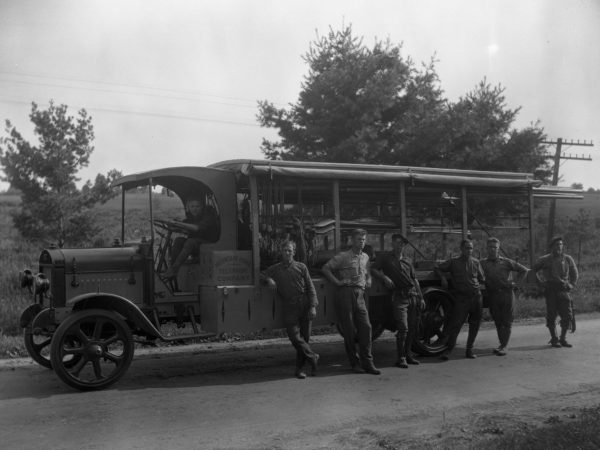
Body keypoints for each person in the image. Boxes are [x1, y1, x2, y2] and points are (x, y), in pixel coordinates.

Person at [322, 229, 381, 375]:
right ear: (352, 241)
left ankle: (368, 363)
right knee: (349, 330)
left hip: (360, 294)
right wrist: (337, 282)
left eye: (363, 239)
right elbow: (326, 268)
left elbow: (368, 272)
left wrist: (369, 280)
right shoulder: (344, 256)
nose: (361, 242)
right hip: (345, 293)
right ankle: (355, 364)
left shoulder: (366, 257)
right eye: (358, 239)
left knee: (366, 327)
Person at [262, 240, 319, 379]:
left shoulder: (301, 267)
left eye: (290, 250)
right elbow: (261, 274)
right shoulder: (275, 269)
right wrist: (269, 279)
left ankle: (299, 370)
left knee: (305, 338)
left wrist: (312, 306)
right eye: (285, 250)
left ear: (294, 252)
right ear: (281, 252)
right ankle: (313, 357)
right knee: (294, 337)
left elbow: (311, 288)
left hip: (304, 304)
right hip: (289, 306)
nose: (287, 253)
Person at [371, 234, 426, 368]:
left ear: (404, 245)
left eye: (401, 243)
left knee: (412, 328)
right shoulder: (385, 257)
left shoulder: (407, 260)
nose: (399, 245)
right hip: (399, 297)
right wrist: (384, 278)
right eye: (396, 243)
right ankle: (400, 358)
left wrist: (421, 297)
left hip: (412, 295)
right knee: (403, 327)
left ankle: (408, 355)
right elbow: (373, 269)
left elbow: (415, 279)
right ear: (393, 244)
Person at [435, 239, 485, 360]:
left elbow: (482, 278)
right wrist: (443, 278)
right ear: (461, 249)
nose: (470, 250)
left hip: (476, 297)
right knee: (456, 324)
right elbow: (437, 267)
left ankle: (469, 350)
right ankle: (448, 350)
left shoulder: (476, 262)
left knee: (475, 324)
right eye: (467, 248)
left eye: (471, 248)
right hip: (462, 298)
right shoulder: (453, 262)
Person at [480, 237, 528, 356]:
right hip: (493, 295)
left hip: (507, 294)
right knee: (498, 321)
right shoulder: (482, 263)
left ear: (498, 249)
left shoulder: (506, 262)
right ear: (486, 248)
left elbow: (524, 270)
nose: (492, 249)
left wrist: (516, 284)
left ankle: (504, 346)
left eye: (495, 247)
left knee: (507, 321)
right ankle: (502, 344)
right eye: (490, 247)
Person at [532, 236, 579, 348]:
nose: (559, 247)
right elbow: (533, 271)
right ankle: (554, 339)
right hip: (551, 290)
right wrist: (541, 283)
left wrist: (571, 285)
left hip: (564, 290)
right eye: (556, 244)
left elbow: (575, 273)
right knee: (551, 316)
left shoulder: (568, 259)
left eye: (560, 244)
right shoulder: (544, 259)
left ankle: (563, 338)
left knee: (567, 315)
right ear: (551, 247)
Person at [164, 197, 220, 280]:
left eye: (197, 206)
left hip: (208, 246)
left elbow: (196, 228)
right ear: (189, 208)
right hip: (196, 246)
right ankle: (172, 269)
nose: (195, 209)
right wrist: (172, 224)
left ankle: (174, 269)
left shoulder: (208, 217)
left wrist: (177, 223)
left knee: (190, 241)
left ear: (202, 207)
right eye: (192, 206)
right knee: (179, 240)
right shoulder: (190, 218)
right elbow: (184, 226)